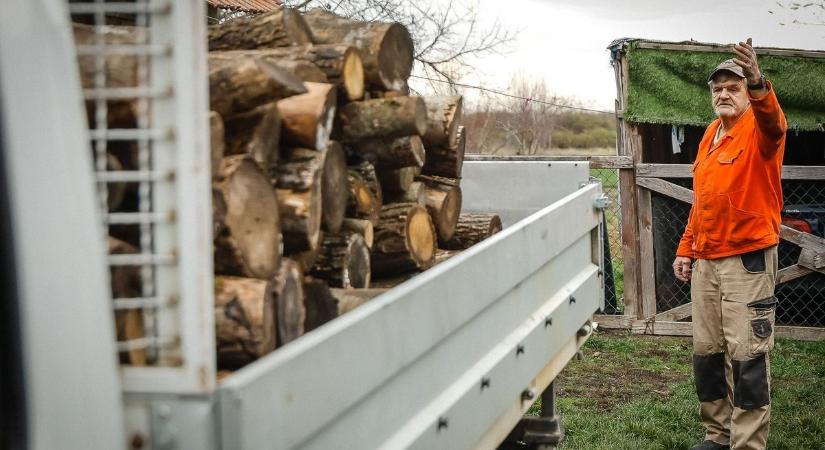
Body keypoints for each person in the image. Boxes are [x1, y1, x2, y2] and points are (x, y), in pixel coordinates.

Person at [673, 38, 787, 450]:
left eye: (733, 87)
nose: (723, 94)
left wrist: (757, 82)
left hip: (746, 261)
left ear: (745, 91)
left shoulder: (760, 130)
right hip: (706, 260)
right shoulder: (710, 134)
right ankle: (718, 436)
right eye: (717, 88)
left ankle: (747, 443)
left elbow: (774, 122)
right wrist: (686, 246)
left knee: (747, 356)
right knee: (707, 353)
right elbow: (703, 199)